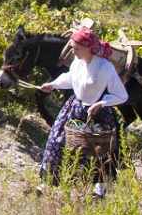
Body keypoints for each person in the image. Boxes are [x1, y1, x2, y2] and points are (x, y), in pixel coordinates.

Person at [38, 26, 127, 197]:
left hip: (97, 114)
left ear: (89, 48)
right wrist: (53, 84)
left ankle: (100, 189)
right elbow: (70, 78)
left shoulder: (105, 67)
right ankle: (47, 183)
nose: (73, 51)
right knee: (56, 143)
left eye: (77, 48)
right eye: (73, 47)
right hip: (74, 108)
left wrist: (102, 103)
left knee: (98, 151)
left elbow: (121, 95)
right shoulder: (77, 62)